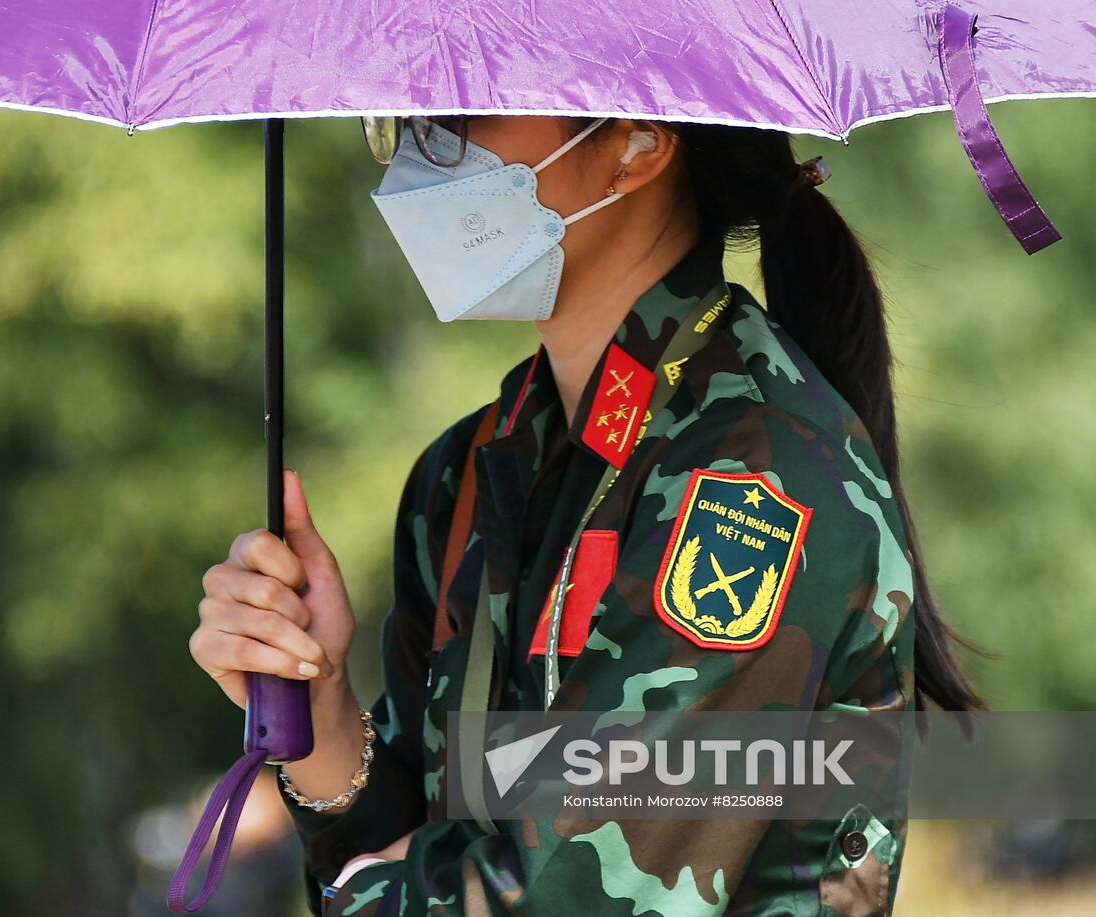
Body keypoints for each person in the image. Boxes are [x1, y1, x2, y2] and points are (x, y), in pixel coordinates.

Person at [188, 114, 984, 916]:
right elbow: (417, 836)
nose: (423, 148)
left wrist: (368, 889)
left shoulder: (755, 480)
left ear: (636, 144)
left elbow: (576, 895)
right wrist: (319, 706)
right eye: (412, 117)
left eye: (462, 113)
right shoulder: (468, 471)